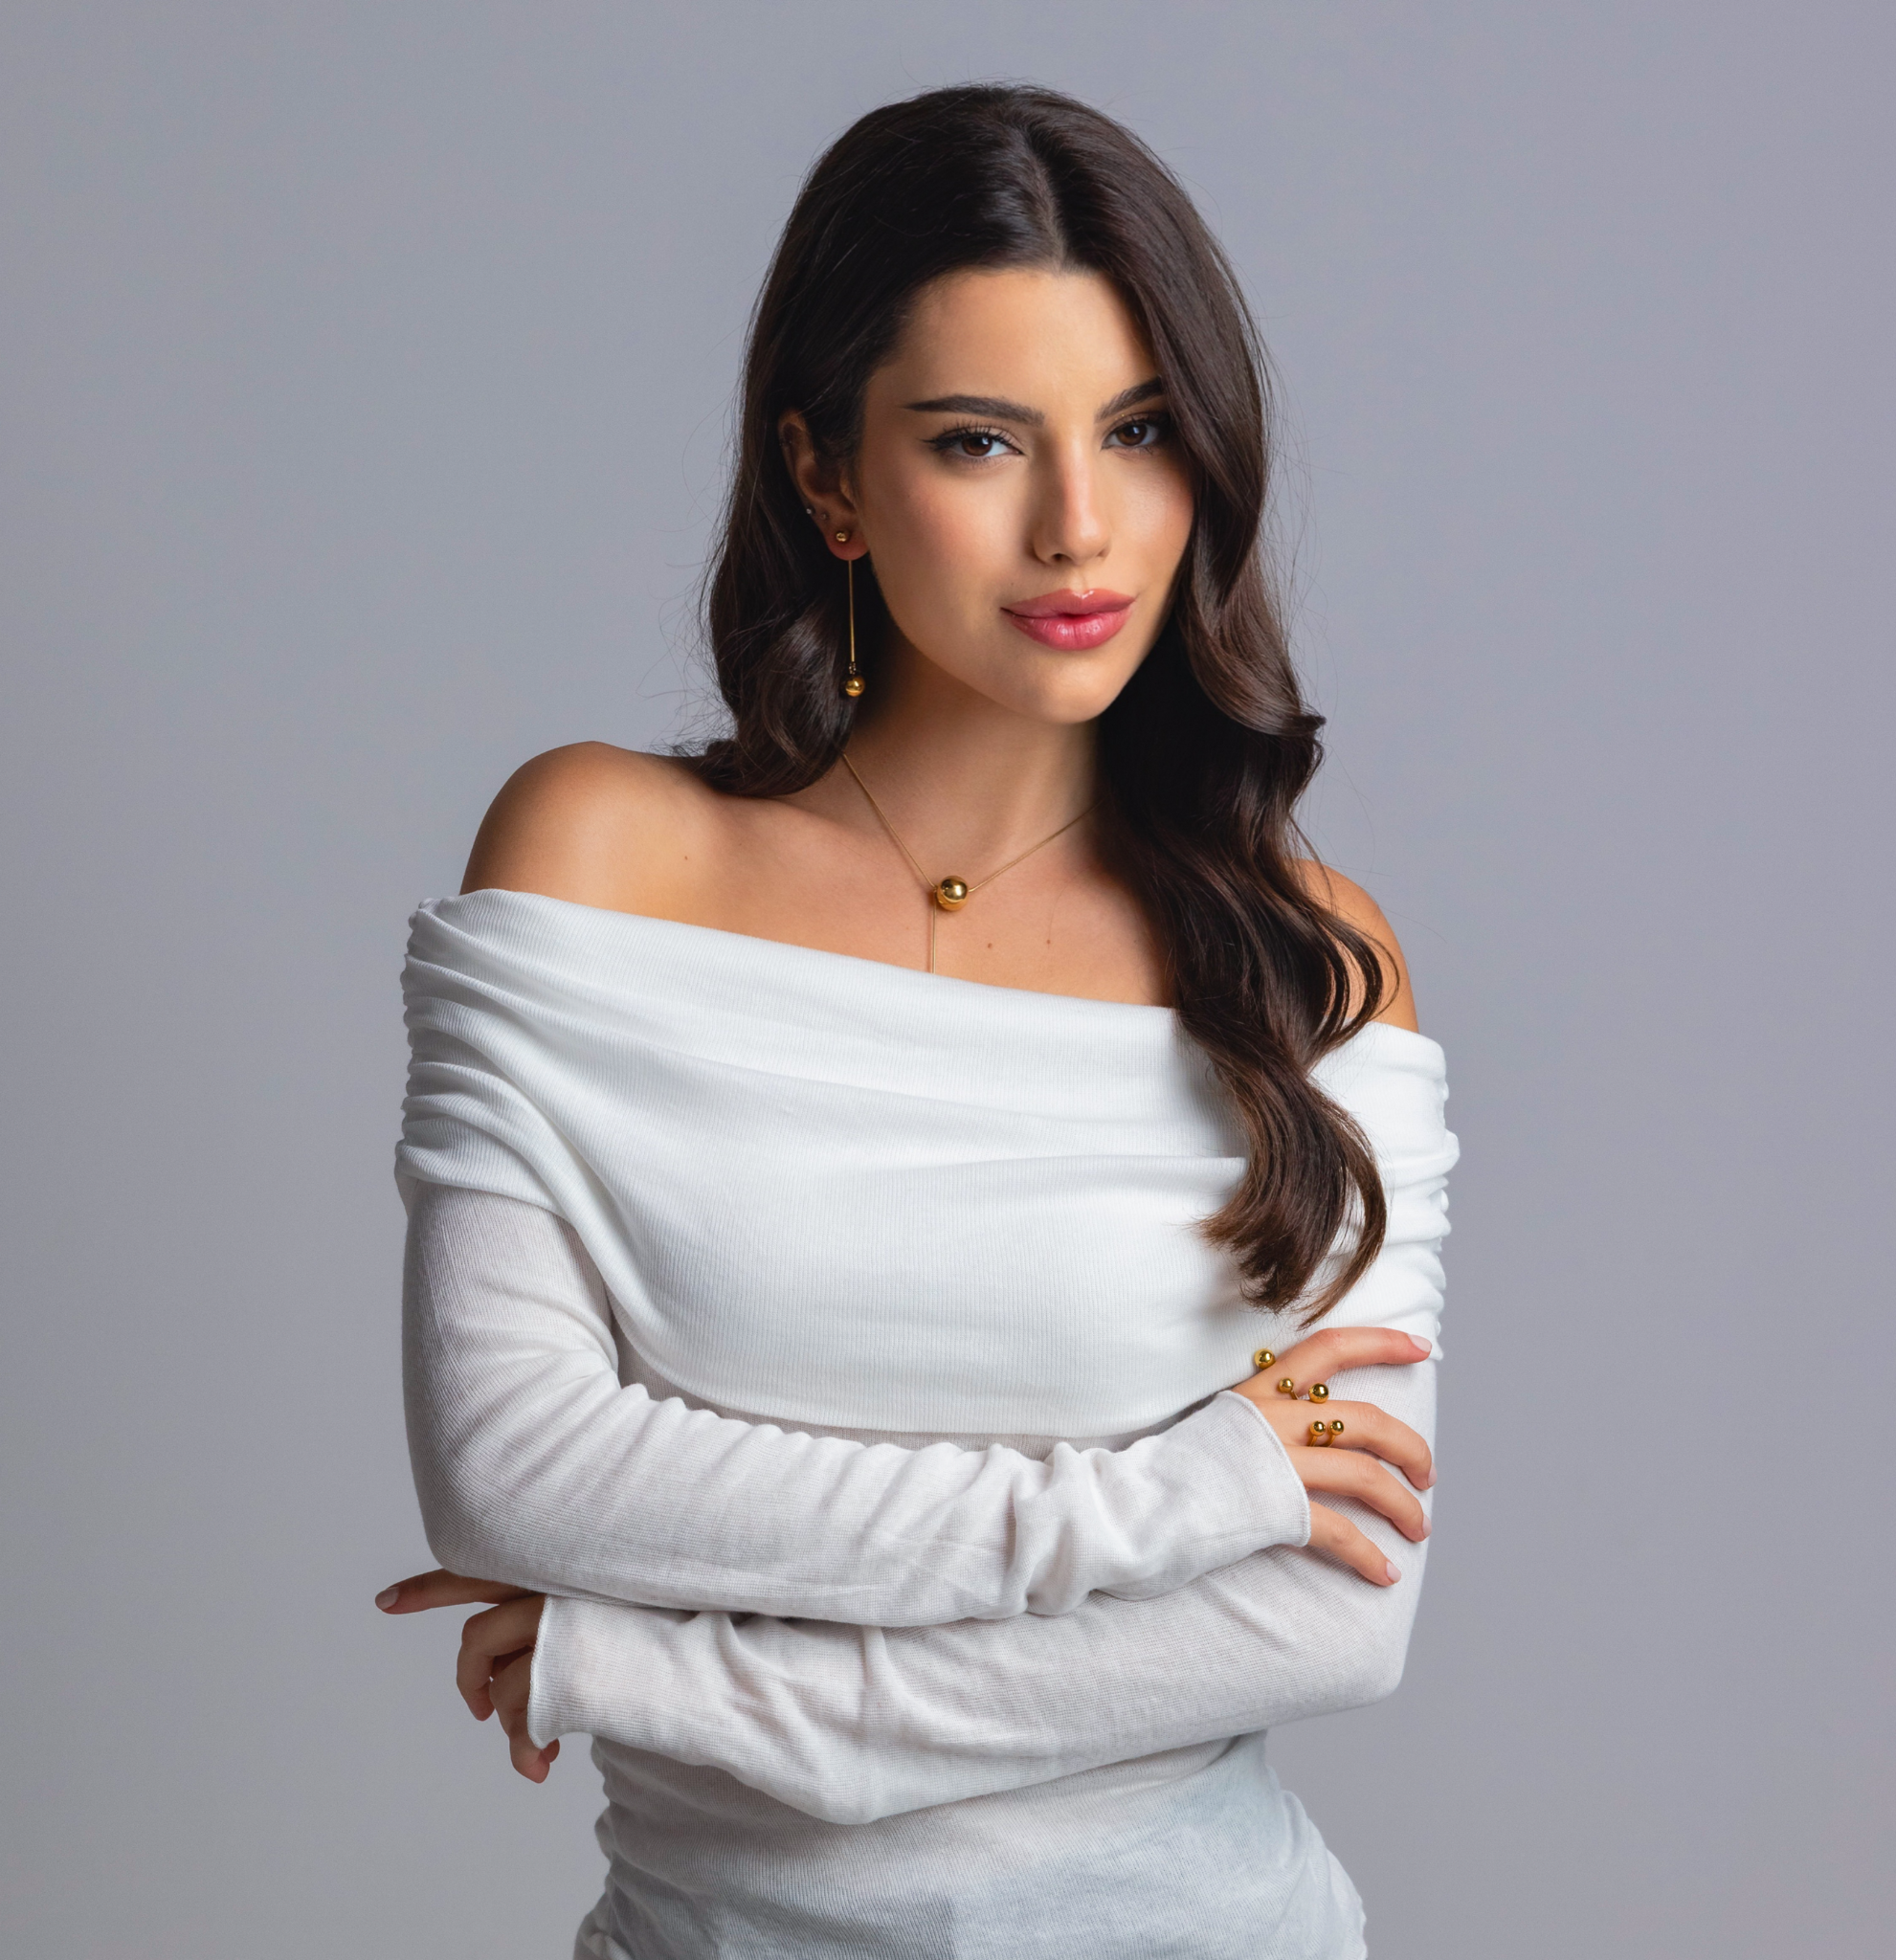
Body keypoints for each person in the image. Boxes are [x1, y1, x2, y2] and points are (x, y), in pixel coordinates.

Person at [375, 82, 1459, 1960]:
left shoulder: (1311, 965)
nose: (1078, 525)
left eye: (1138, 430)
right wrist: (1169, 1495)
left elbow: (1326, 1616)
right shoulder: (600, 863)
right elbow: (516, 1468)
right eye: (978, 440)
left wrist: (665, 1676)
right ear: (824, 477)